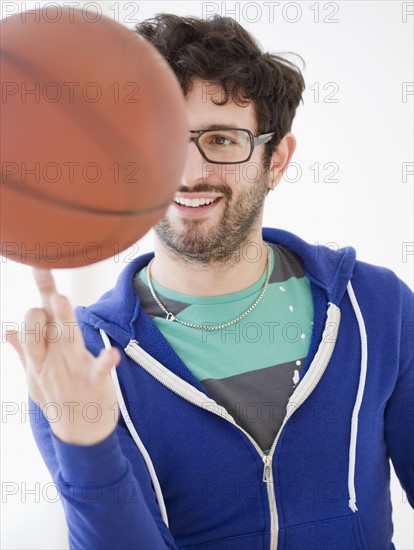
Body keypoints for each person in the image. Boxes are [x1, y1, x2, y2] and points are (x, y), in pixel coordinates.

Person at [6, 13, 413, 550]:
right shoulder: (77, 360)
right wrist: (87, 443)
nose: (190, 172)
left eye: (222, 139)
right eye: (163, 139)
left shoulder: (376, 305)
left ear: (277, 160)